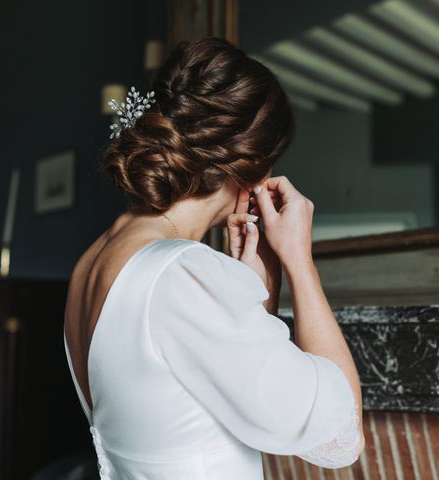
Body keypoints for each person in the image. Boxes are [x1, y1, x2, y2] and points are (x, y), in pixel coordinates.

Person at [63, 36, 365, 479]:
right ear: (250, 166)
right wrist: (301, 261)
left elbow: (192, 403)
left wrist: (256, 290)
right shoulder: (181, 272)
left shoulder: (94, 262)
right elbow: (338, 438)